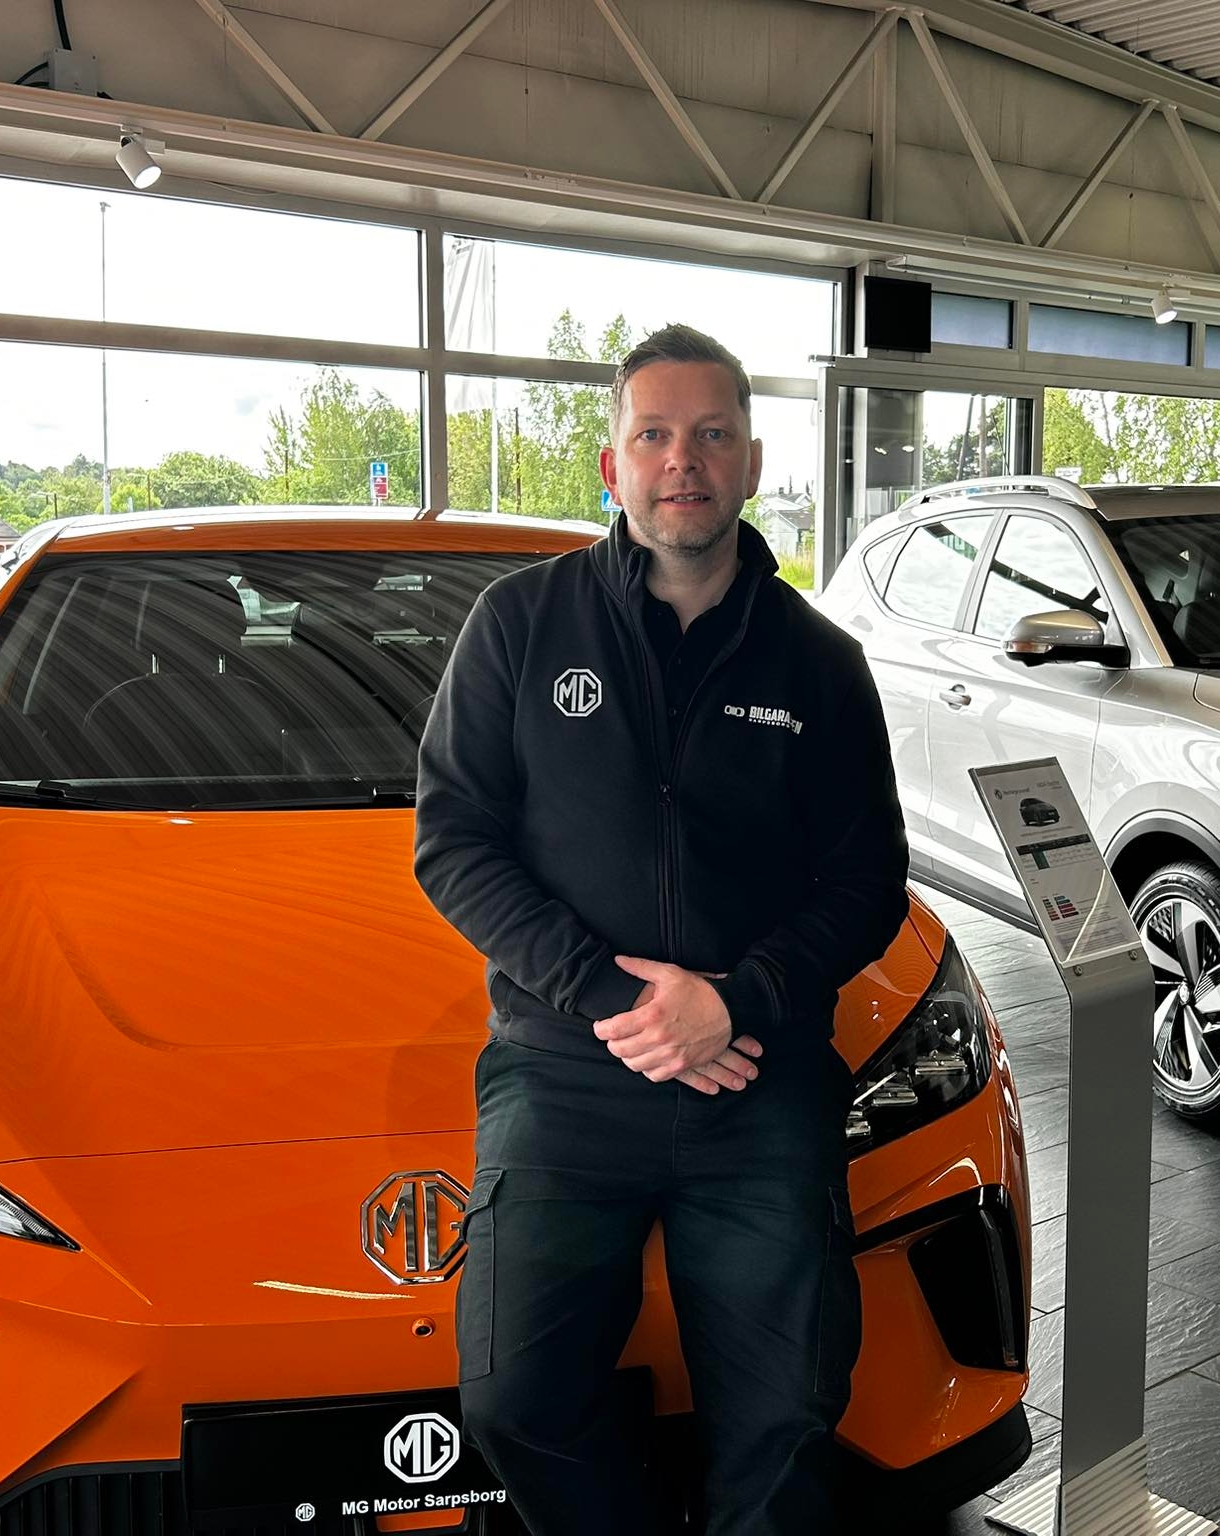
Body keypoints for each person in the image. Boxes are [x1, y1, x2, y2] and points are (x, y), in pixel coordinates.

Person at [414, 323, 908, 1536]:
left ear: (750, 462)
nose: (681, 459)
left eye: (711, 434)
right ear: (612, 464)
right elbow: (454, 841)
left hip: (758, 1077)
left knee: (786, 1415)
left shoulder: (819, 663)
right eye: (654, 435)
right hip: (565, 1075)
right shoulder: (520, 625)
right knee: (514, 1396)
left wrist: (735, 1001)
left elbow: (868, 881)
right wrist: (614, 999)